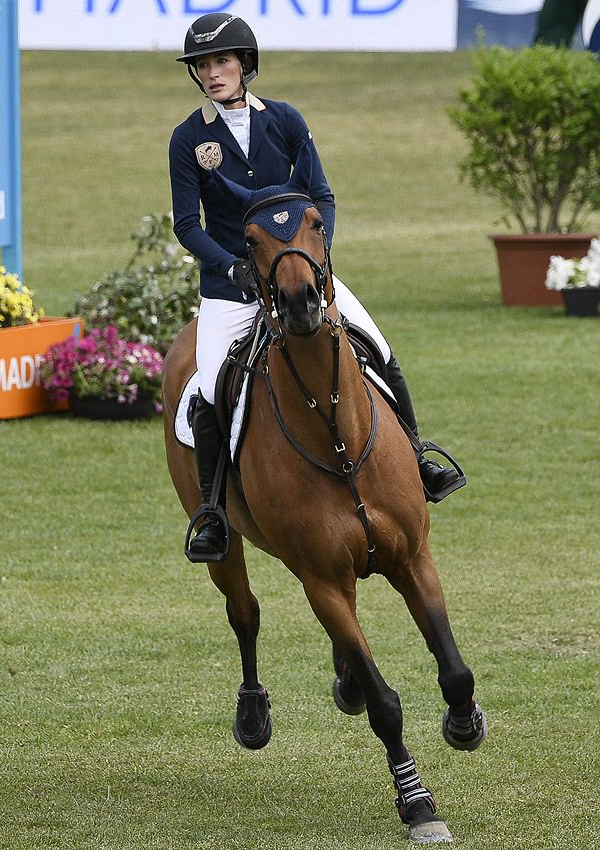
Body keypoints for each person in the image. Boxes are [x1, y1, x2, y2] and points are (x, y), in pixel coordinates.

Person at [169, 13, 460, 562]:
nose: (213, 73)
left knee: (379, 348)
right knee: (208, 388)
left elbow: (320, 197)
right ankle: (212, 510)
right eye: (204, 65)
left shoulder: (284, 120)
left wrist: (315, 261)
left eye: (222, 62)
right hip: (233, 289)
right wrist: (232, 267)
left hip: (302, 275)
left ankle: (419, 457)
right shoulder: (189, 139)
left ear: (245, 65)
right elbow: (187, 224)